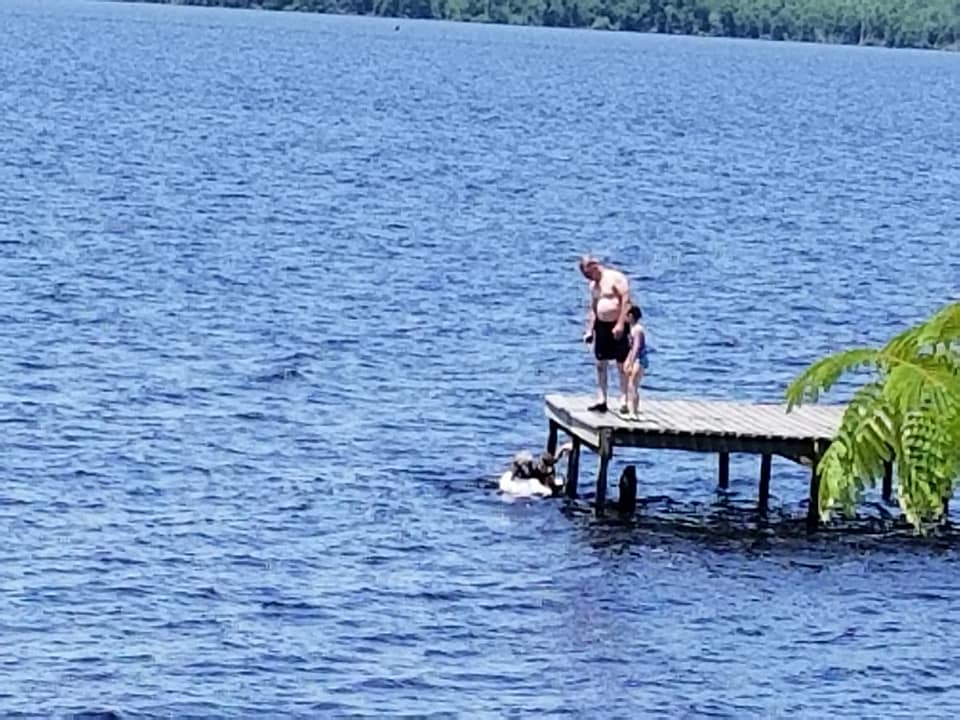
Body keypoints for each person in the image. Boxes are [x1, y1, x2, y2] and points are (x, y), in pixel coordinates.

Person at [579, 254, 632, 413]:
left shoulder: (615, 278)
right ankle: (602, 399)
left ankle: (624, 399)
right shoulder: (593, 286)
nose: (588, 278)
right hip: (601, 326)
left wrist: (621, 324)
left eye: (588, 274)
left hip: (617, 325)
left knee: (621, 363)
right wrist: (590, 329)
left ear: (594, 266)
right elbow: (594, 308)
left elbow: (626, 301)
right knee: (600, 363)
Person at [623, 304, 649, 419]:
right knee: (632, 385)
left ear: (632, 316)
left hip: (639, 359)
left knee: (633, 385)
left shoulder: (637, 329)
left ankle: (633, 412)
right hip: (636, 357)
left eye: (627, 315)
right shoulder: (632, 329)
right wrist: (627, 360)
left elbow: (636, 347)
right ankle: (633, 410)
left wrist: (631, 362)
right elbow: (631, 347)